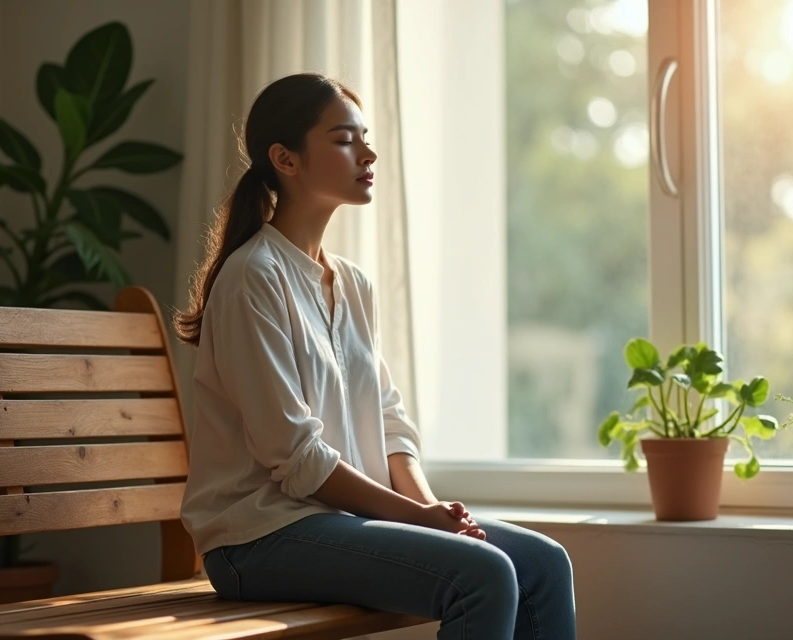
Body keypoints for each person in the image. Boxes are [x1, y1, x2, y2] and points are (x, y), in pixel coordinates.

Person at [173, 72, 576, 639]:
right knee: (482, 574)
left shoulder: (353, 283)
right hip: (258, 538)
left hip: (341, 523)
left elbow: (391, 424)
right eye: (343, 139)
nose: (369, 152)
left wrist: (436, 514)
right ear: (286, 159)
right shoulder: (252, 278)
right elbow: (293, 454)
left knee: (544, 563)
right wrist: (416, 520)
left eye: (364, 135)